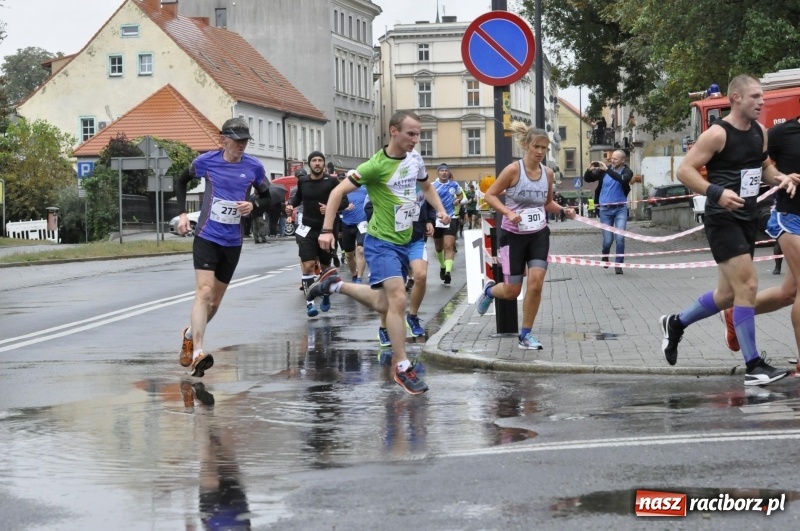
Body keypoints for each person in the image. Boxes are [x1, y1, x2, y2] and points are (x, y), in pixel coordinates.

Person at [660, 74, 796, 386]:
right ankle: (753, 364)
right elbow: (685, 170)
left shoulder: (760, 132)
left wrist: (781, 178)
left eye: (762, 97)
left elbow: (765, 168)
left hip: (746, 217)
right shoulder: (717, 134)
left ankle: (676, 323)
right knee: (748, 285)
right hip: (722, 218)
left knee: (726, 295)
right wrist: (716, 192)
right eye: (754, 97)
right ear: (735, 98)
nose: (761, 102)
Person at [307, 110, 450, 395]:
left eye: (418, 134)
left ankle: (335, 285)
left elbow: (426, 186)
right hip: (381, 241)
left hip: (408, 239)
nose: (415, 139)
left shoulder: (416, 160)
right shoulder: (375, 165)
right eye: (411, 133)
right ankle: (402, 367)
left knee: (386, 304)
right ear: (393, 131)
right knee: (397, 298)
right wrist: (326, 230)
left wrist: (442, 209)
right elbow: (336, 193)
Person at [175, 117, 270, 377]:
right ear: (223, 139)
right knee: (203, 293)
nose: (241, 145)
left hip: (233, 241)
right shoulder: (206, 161)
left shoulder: (254, 167)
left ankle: (189, 334)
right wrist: (183, 213)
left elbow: (269, 195)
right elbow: (180, 181)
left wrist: (254, 205)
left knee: (214, 303)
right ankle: (198, 353)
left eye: (245, 141)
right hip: (207, 236)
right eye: (237, 140)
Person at [474, 122, 577, 349]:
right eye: (536, 147)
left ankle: (525, 335)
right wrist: (508, 213)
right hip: (514, 236)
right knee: (512, 291)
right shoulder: (513, 170)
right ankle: (490, 291)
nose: (540, 152)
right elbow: (490, 195)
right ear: (526, 146)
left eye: (544, 148)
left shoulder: (547, 173)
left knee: (537, 283)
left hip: (538, 234)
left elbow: (547, 203)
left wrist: (563, 210)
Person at [720, 115, 800, 376]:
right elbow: (759, 164)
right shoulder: (782, 133)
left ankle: (738, 313)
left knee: (790, 292)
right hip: (792, 218)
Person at [286, 151, 348, 317]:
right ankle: (310, 303)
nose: (317, 163)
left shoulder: (332, 181)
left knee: (326, 267)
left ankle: (326, 295)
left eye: (320, 160)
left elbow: (345, 201)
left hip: (326, 230)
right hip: (307, 229)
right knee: (307, 265)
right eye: (314, 160)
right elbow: (297, 198)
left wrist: (330, 208)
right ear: (309, 164)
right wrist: (290, 205)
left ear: (324, 163)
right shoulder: (303, 181)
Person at [584, 149, 633, 274]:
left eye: (616, 158)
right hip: (605, 211)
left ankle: (618, 264)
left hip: (620, 210)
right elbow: (588, 179)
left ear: (623, 160)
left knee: (620, 237)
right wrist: (589, 170)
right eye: (612, 158)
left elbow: (622, 179)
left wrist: (607, 170)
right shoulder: (603, 171)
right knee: (607, 241)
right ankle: (605, 254)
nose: (612, 160)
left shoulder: (627, 171)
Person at [432, 163, 463, 284]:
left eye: (446, 171)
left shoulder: (454, 184)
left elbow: (460, 194)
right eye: (442, 171)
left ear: (449, 172)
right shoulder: (433, 186)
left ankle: (448, 272)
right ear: (438, 173)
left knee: (449, 246)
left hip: (451, 218)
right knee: (439, 247)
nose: (444, 173)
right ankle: (443, 266)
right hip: (437, 219)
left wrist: (457, 200)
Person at [340, 182, 368, 283]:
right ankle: (354, 275)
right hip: (347, 224)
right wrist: (343, 207)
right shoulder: (343, 191)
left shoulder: (365, 190)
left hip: (362, 223)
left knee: (361, 250)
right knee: (349, 254)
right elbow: (335, 206)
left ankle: (360, 277)